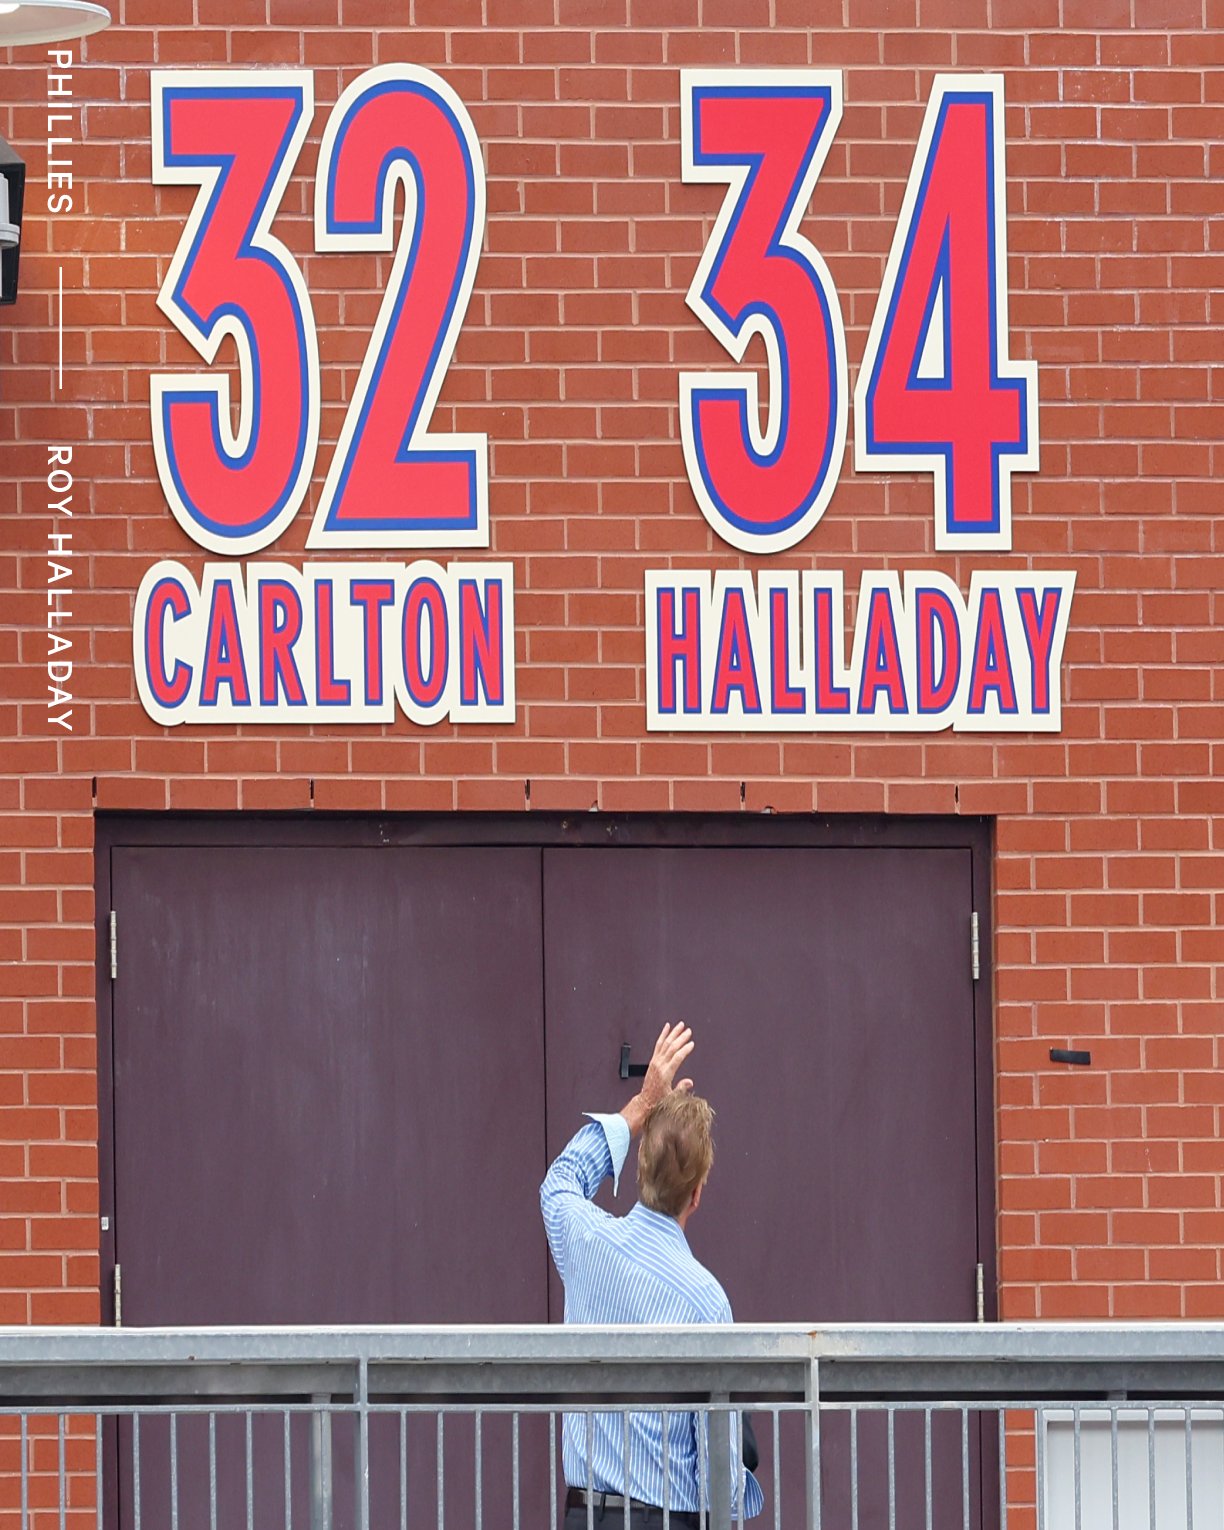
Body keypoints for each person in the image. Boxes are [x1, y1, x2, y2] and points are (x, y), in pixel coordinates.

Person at [540, 1022, 763, 1527]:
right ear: (698, 1193)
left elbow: (560, 1182)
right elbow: (718, 1470)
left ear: (637, 1164)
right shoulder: (705, 1301)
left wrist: (641, 1106)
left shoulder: (586, 1242)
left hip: (586, 1514)